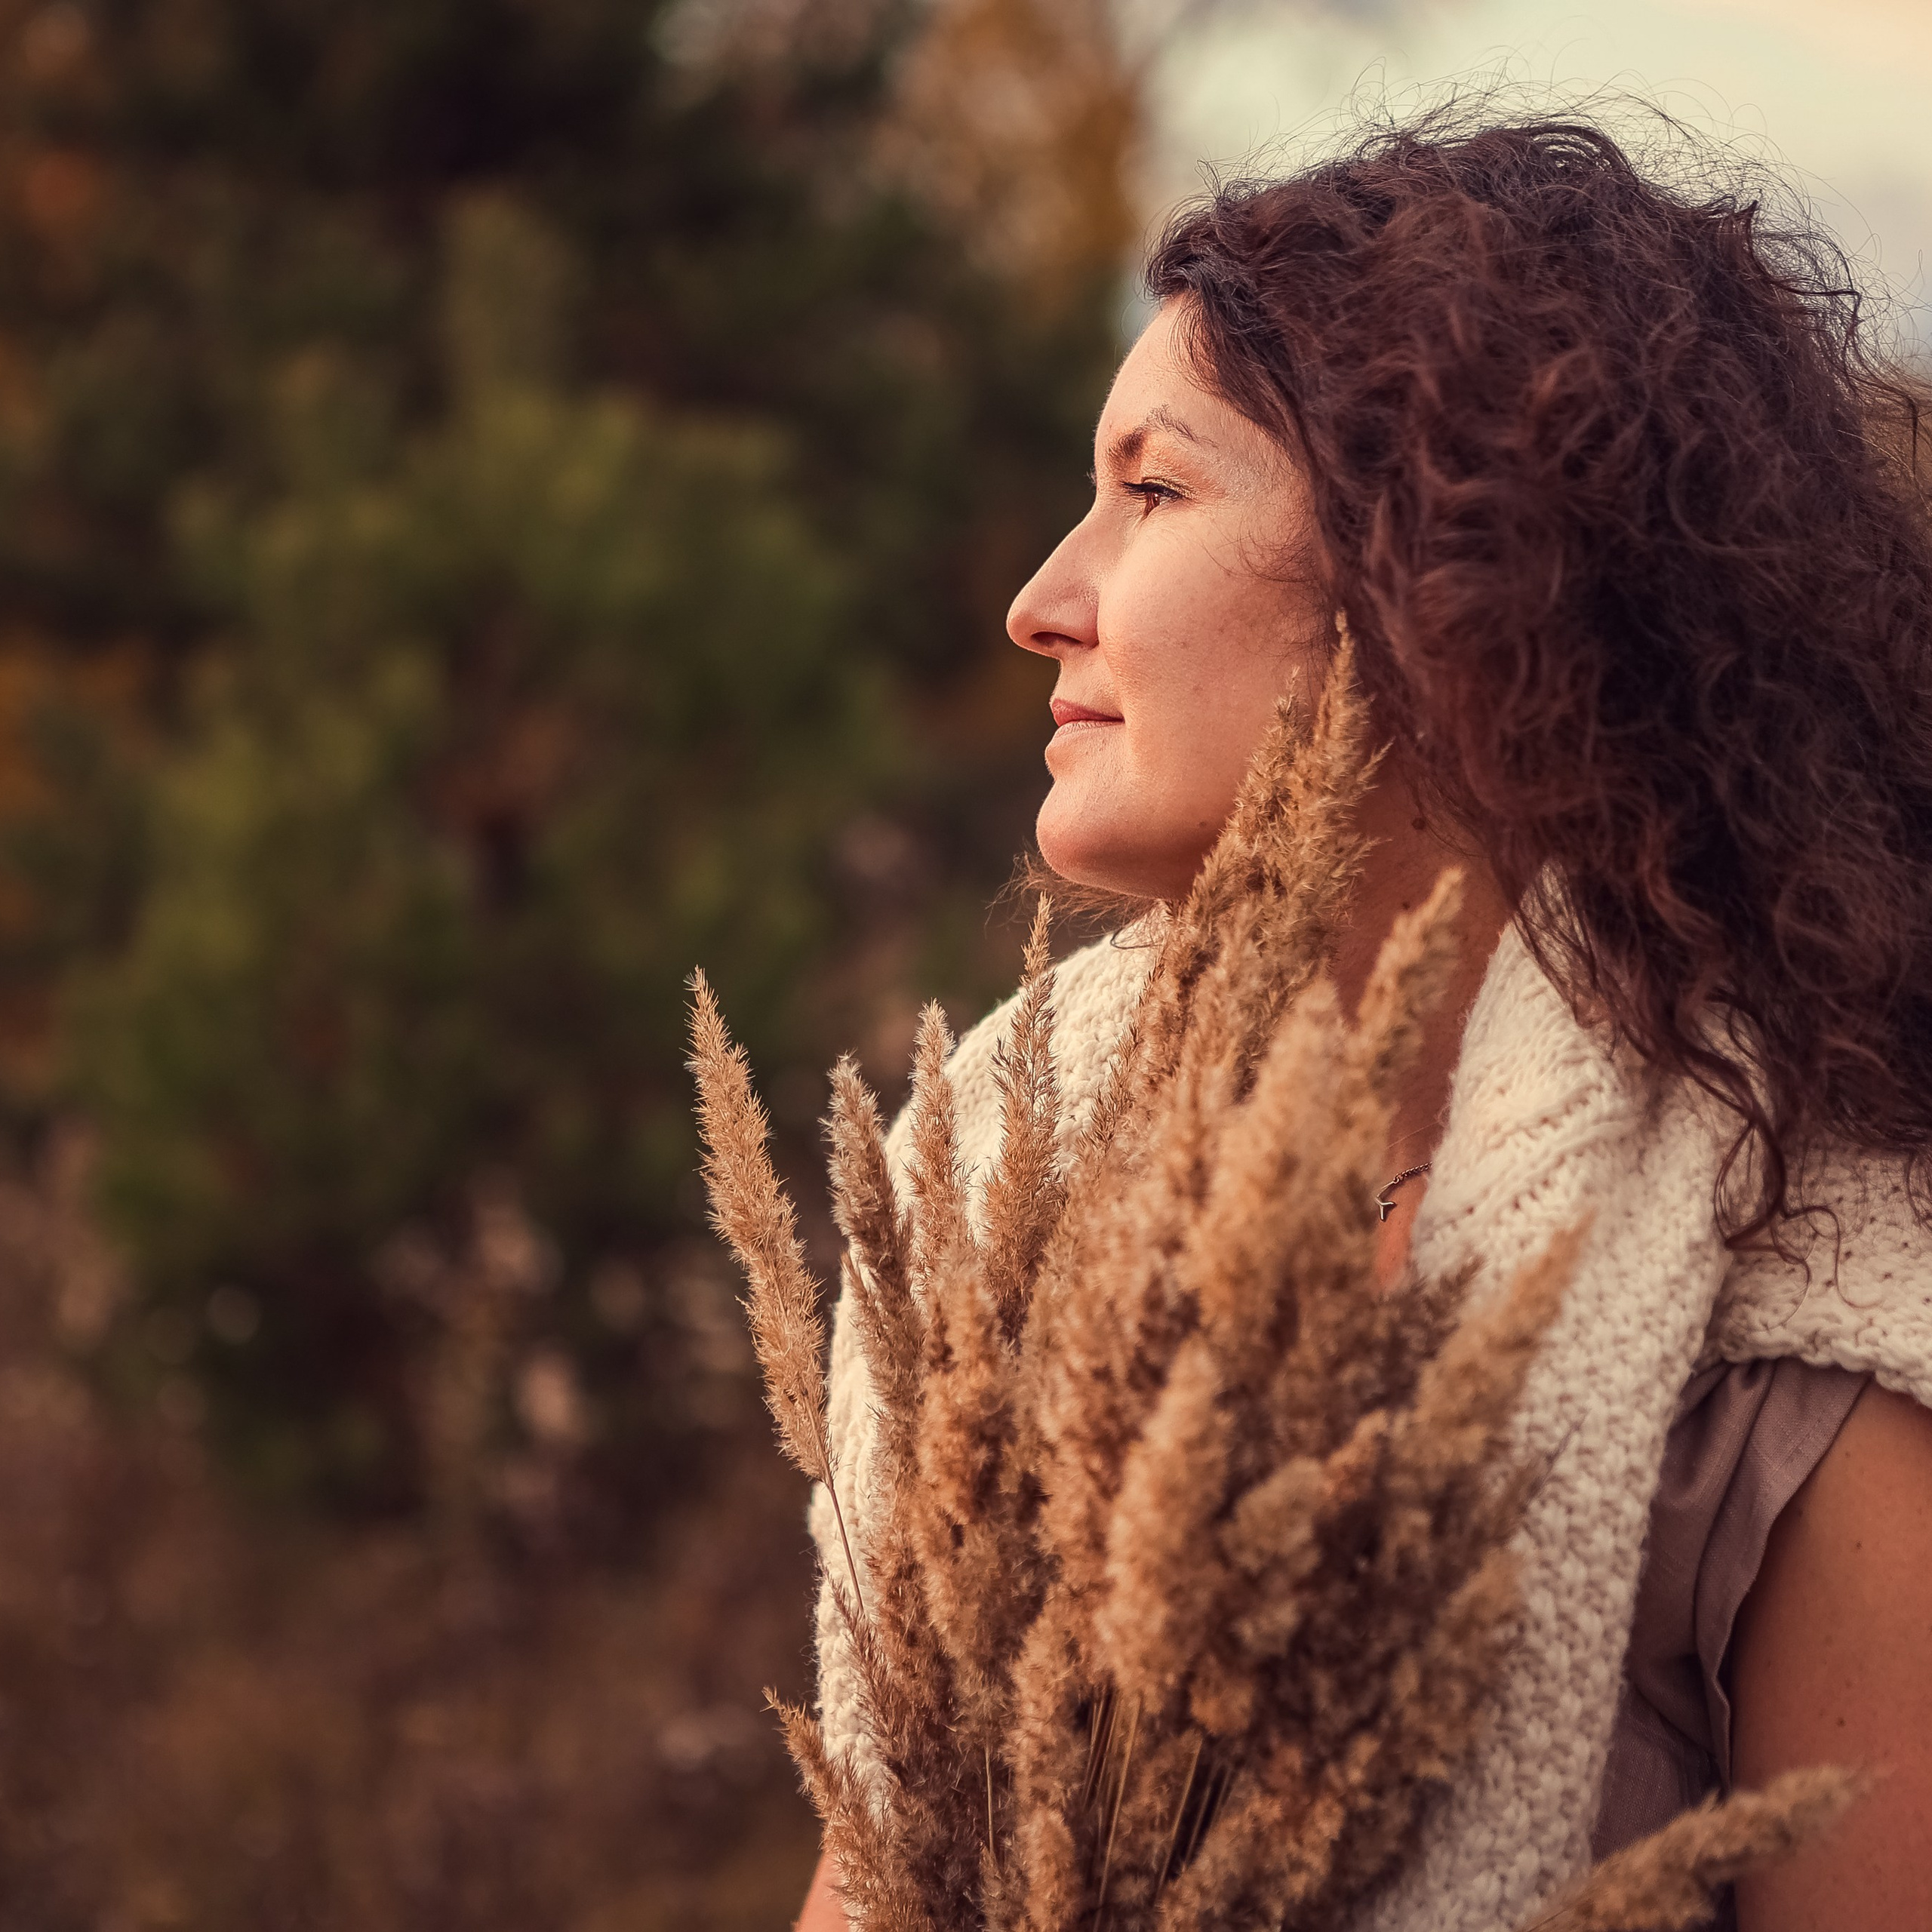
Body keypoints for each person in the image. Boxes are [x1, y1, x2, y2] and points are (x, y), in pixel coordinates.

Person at [797, 115, 1932, 1930]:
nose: (1039, 604)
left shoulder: (1800, 1351)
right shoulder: (1019, 1206)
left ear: (1450, 572)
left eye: (1150, 493)